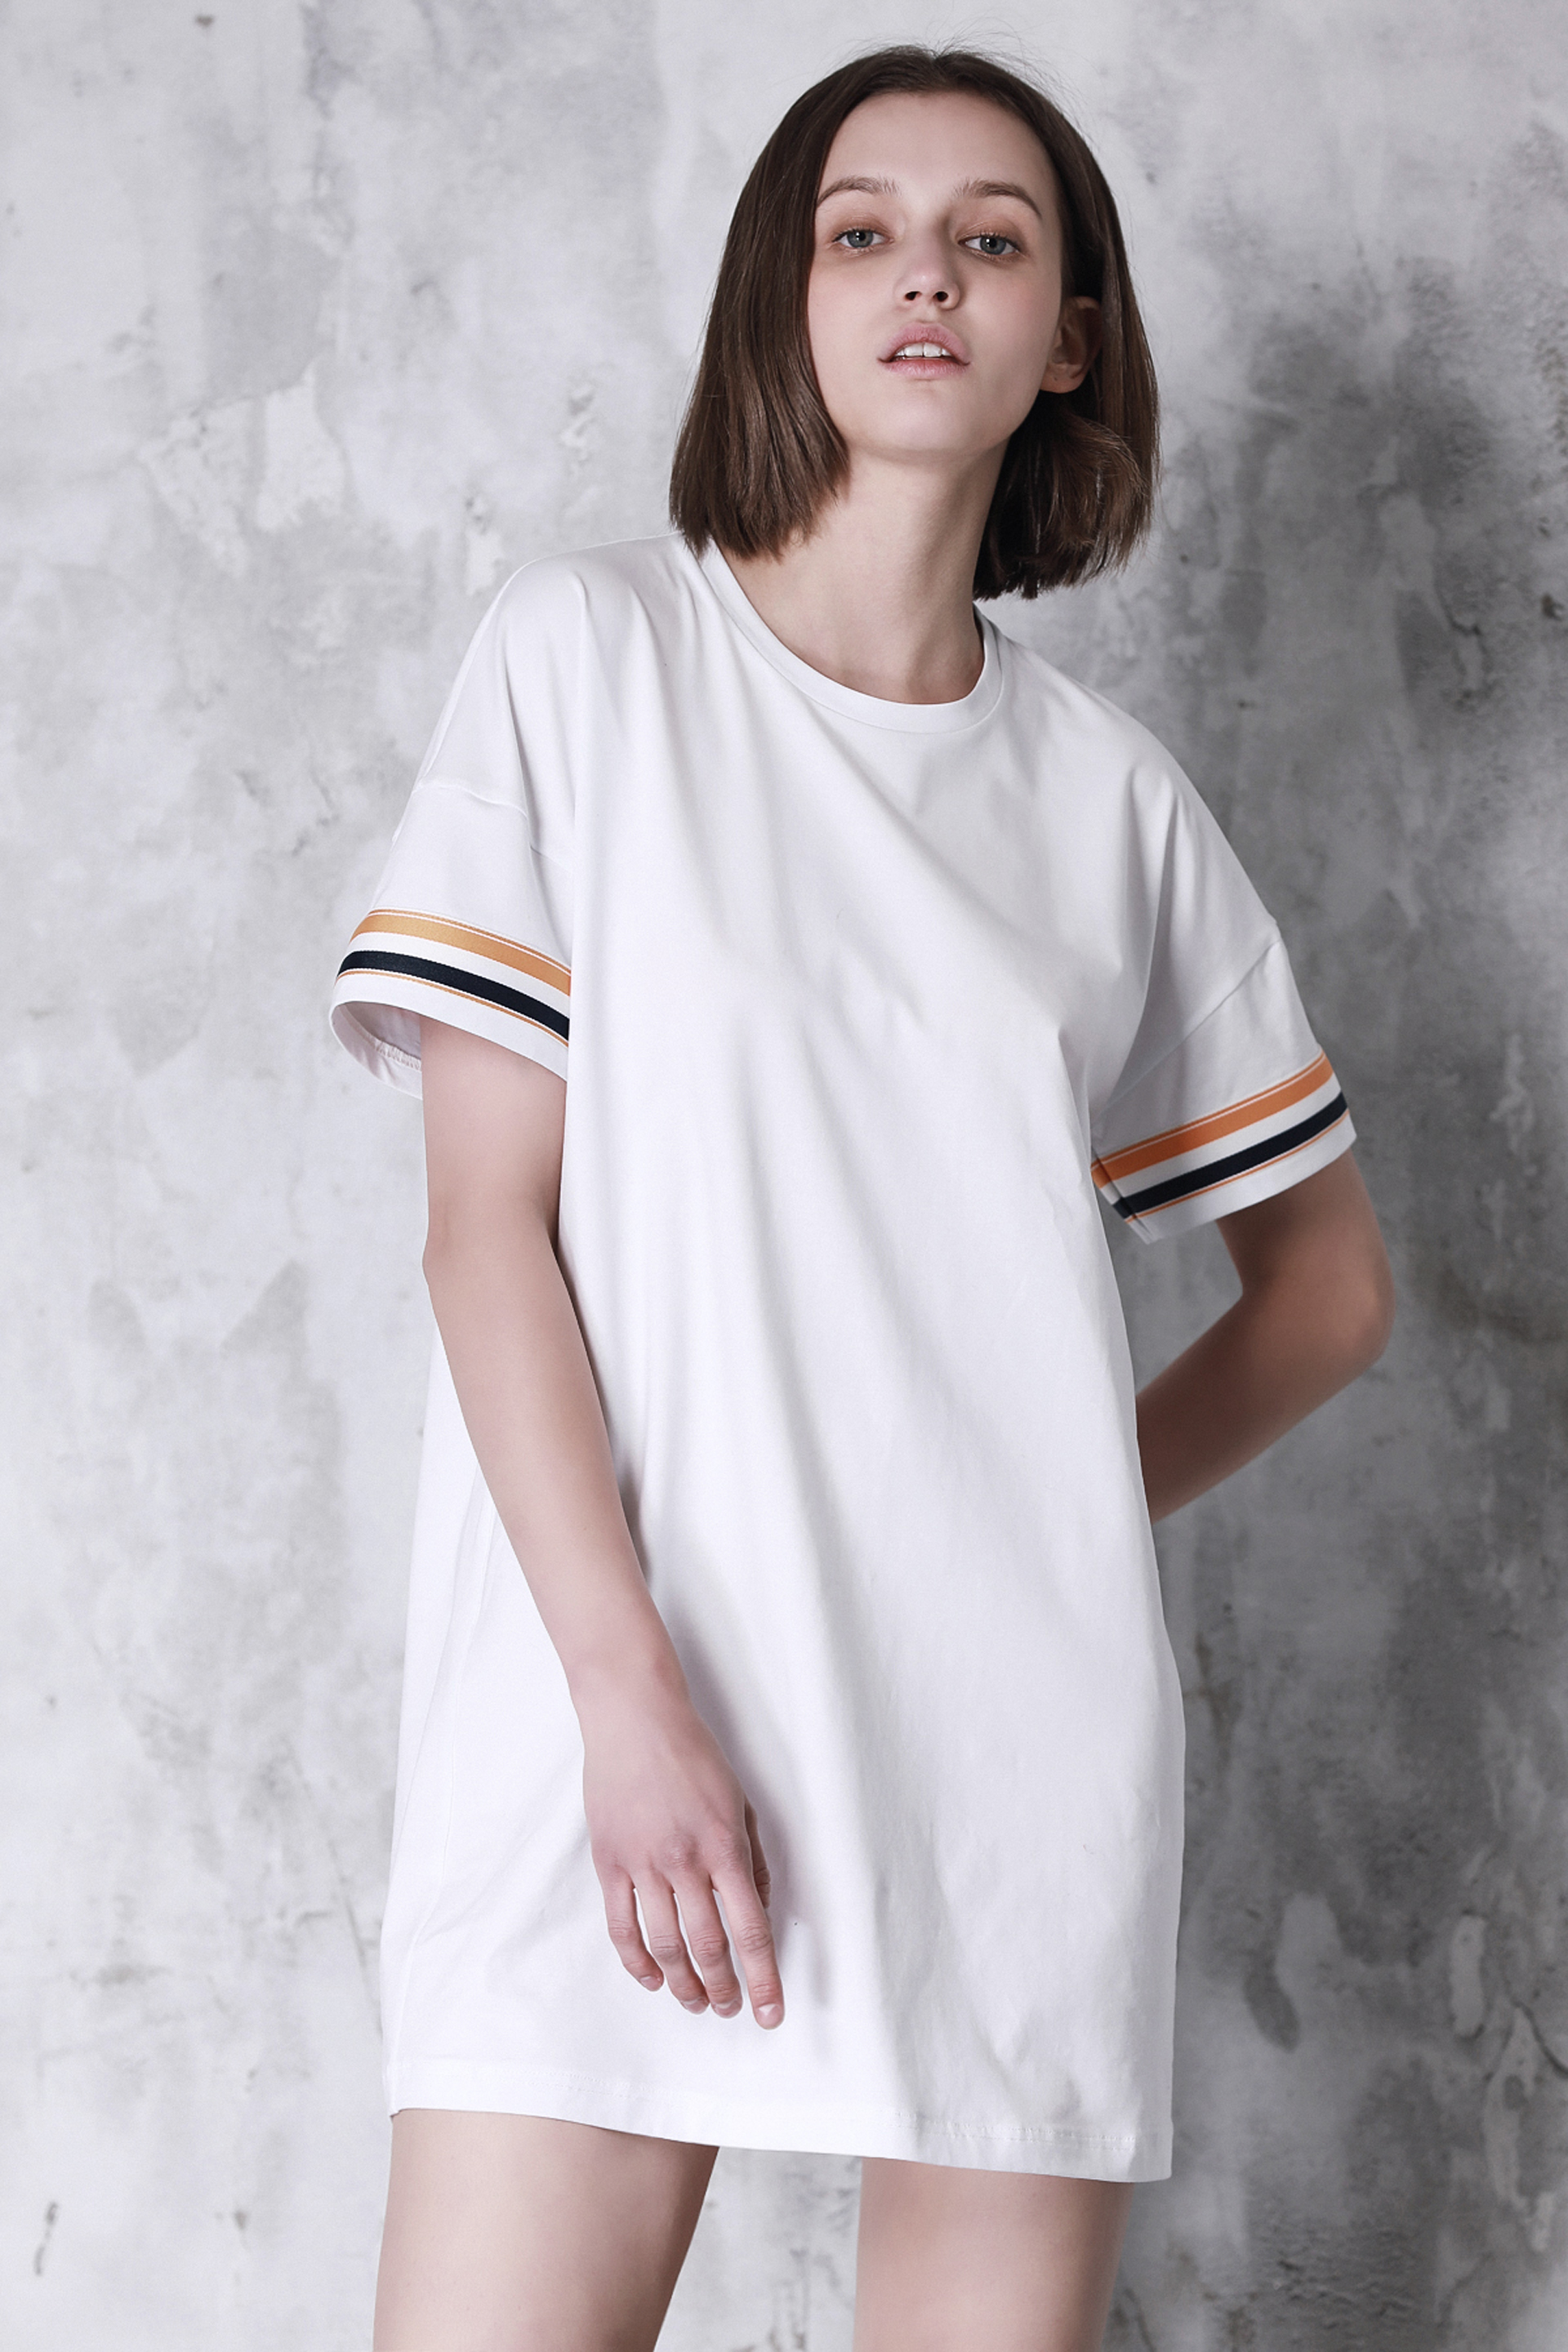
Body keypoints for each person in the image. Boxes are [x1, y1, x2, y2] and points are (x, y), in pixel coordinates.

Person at [331, 44, 1394, 2352]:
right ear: (784, 300)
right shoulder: (589, 661)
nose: (927, 275)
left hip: (1006, 1761)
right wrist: (624, 1701)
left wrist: (1034, 1507)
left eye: (992, 238)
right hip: (607, 1719)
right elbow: (481, 1230)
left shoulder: (1112, 809)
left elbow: (1326, 1295)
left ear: (1069, 335)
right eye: (862, 230)